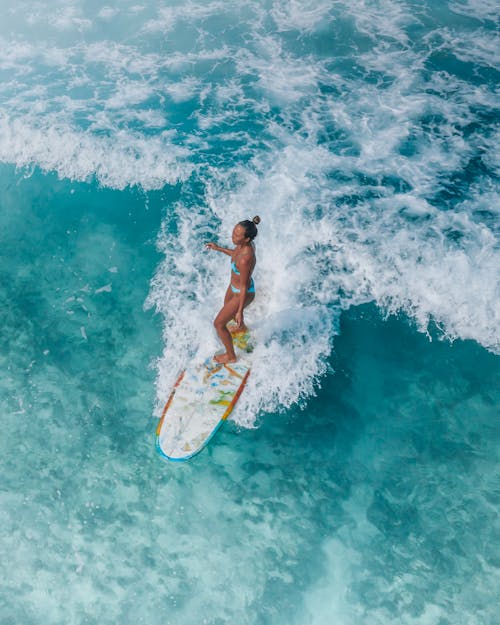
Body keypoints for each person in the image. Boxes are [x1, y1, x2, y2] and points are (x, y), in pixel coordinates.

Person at [206, 216, 260, 363]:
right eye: (233, 232)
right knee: (226, 314)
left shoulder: (246, 258)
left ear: (247, 239)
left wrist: (240, 310)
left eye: (237, 235)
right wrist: (218, 248)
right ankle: (241, 329)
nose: (233, 236)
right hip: (233, 288)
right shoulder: (242, 246)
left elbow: (243, 286)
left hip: (242, 292)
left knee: (218, 324)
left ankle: (231, 356)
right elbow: (235, 254)